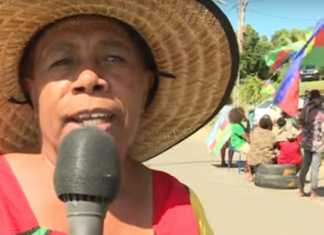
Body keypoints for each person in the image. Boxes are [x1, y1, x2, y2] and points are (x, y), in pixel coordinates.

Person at [0, 1, 239, 234]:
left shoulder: (181, 205)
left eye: (113, 58)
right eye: (61, 61)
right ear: (31, 92)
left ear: (146, 88)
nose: (88, 79)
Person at [299, 96, 324, 199]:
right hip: (318, 144)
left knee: (305, 165)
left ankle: (300, 189)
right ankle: (313, 192)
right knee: (315, 168)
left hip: (306, 143)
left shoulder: (304, 113)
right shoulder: (321, 115)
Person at [248, 115, 277, 180]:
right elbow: (275, 145)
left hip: (253, 159)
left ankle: (252, 173)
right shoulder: (271, 135)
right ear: (270, 126)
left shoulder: (254, 131)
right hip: (266, 160)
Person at [219, 98, 234, 166]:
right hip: (229, 129)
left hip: (222, 128)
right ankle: (230, 161)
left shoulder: (220, 109)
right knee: (231, 145)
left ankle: (223, 161)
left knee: (223, 146)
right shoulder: (230, 109)